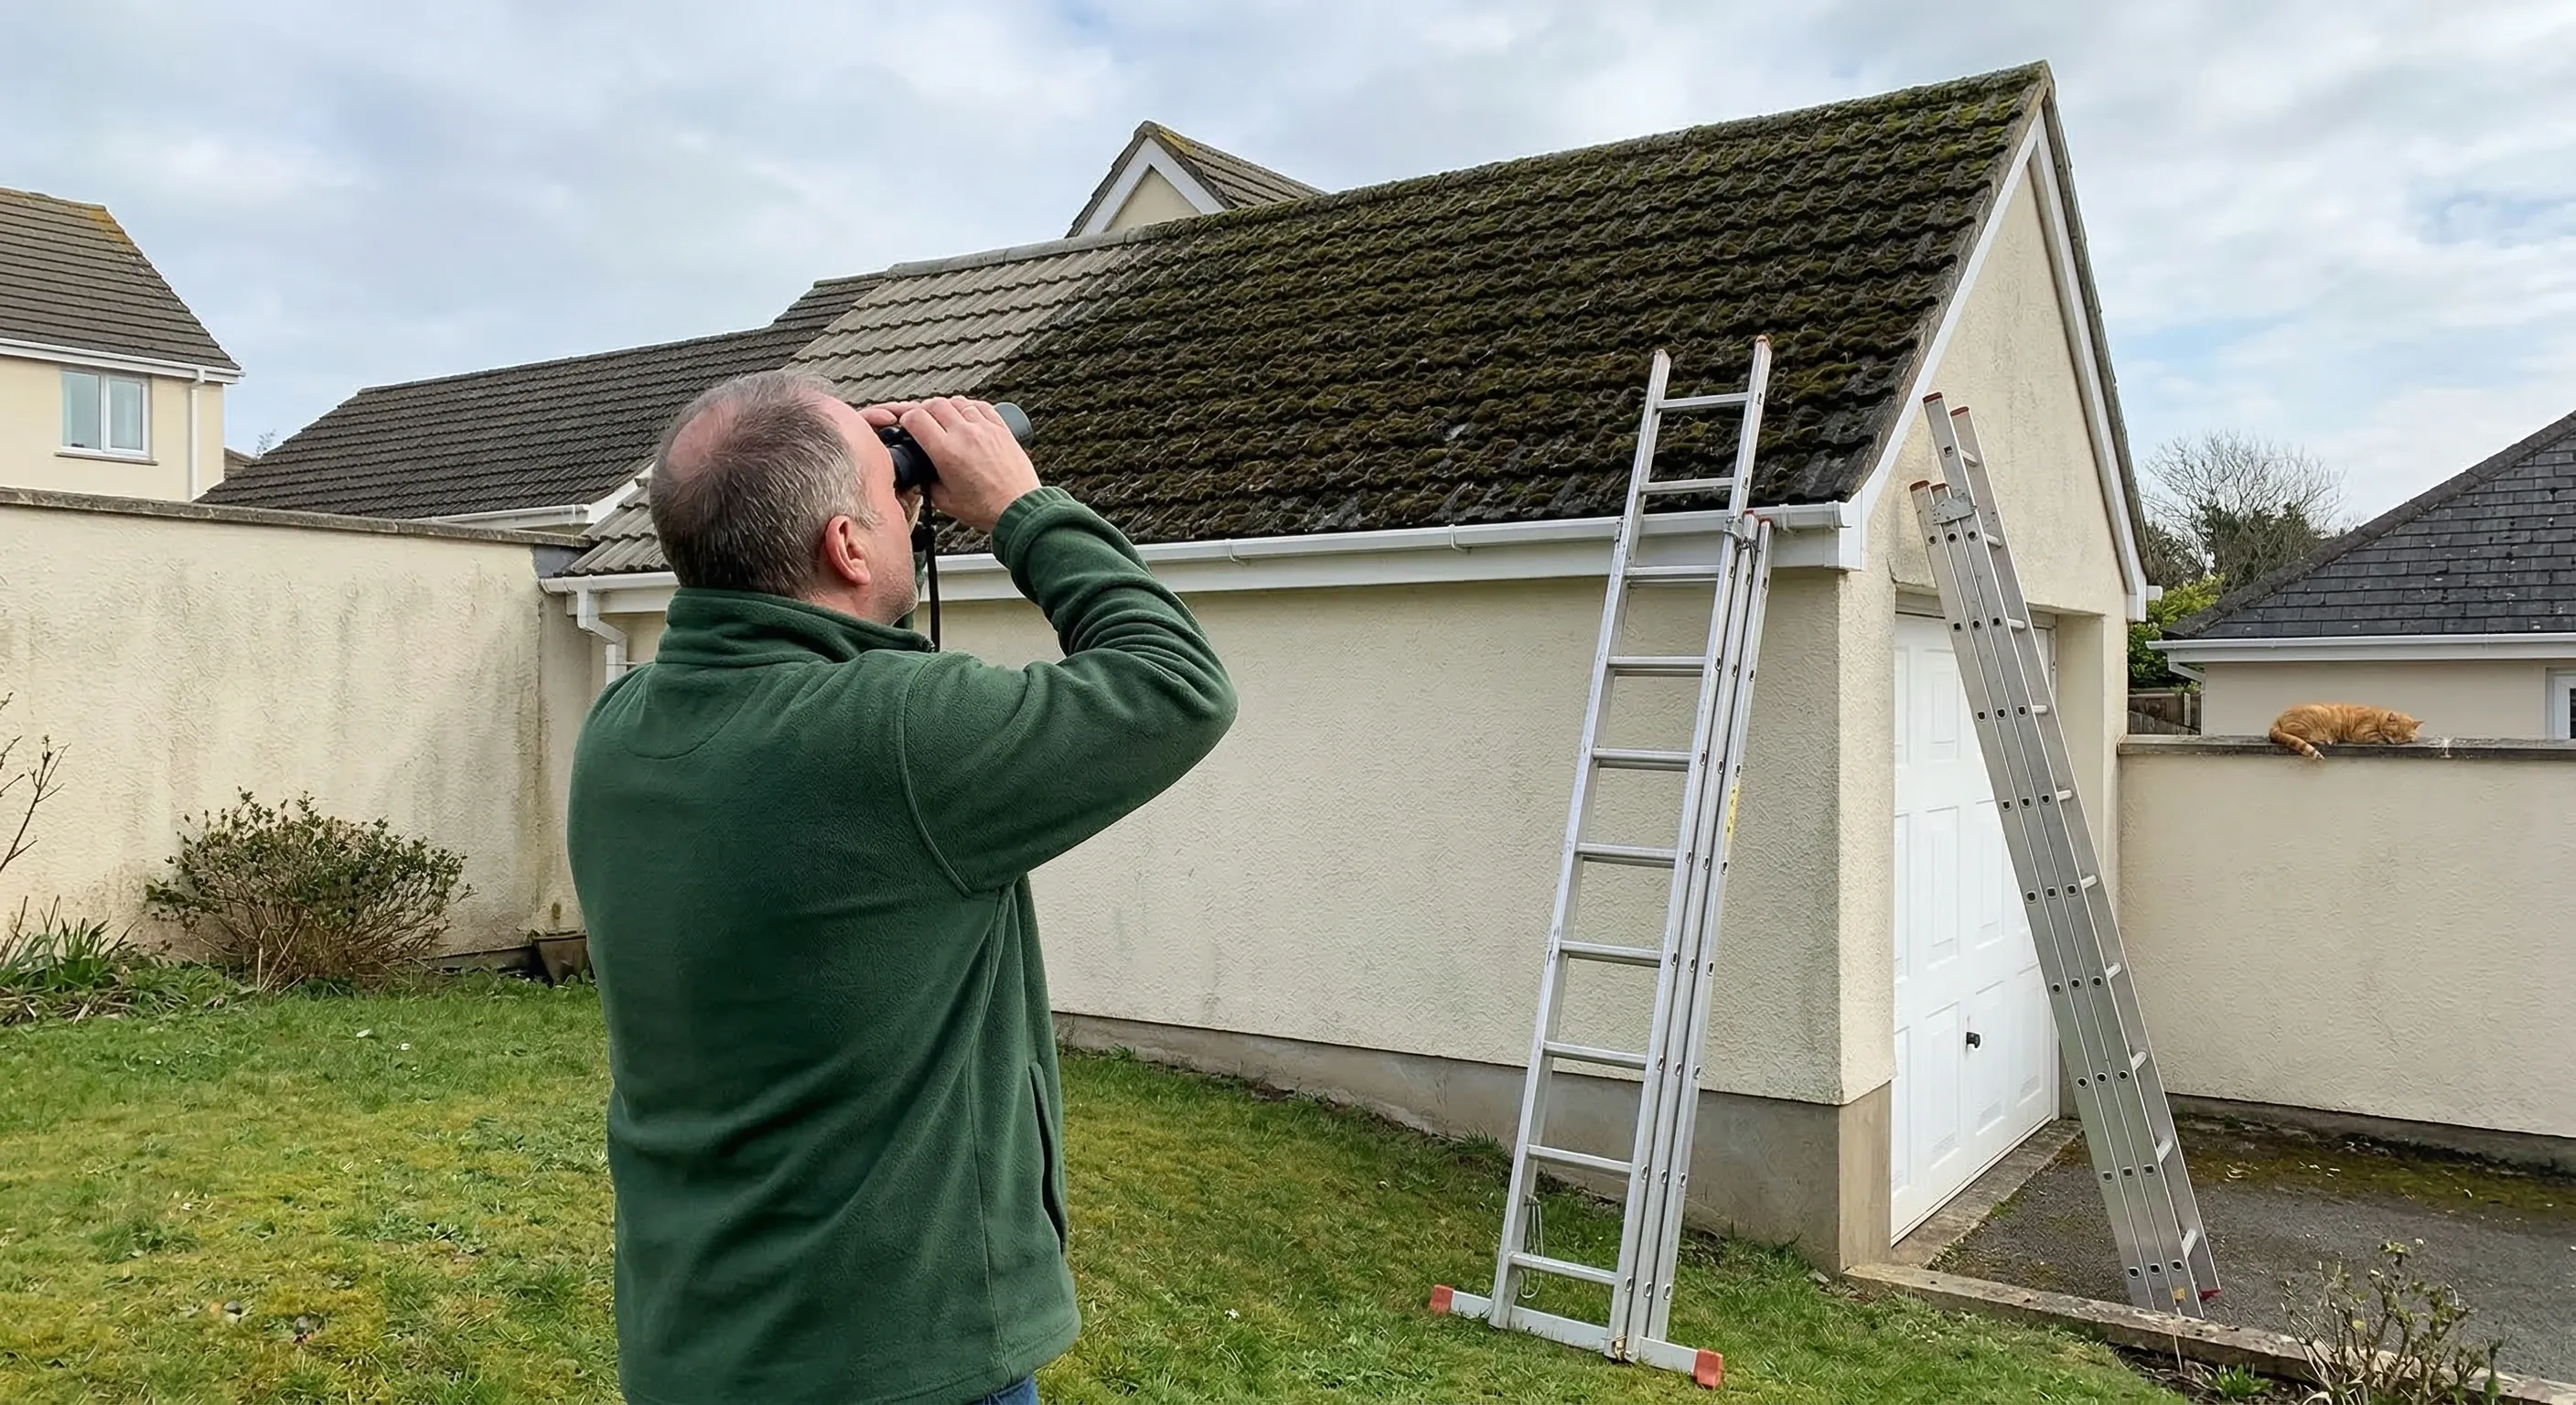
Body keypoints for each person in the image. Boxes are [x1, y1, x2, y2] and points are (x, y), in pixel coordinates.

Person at [565, 370, 1237, 1405]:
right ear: (844, 546)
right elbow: (1175, 687)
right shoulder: (893, 738)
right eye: (889, 495)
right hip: (895, 1361)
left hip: (696, 1345)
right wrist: (1020, 504)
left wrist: (862, 493)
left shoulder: (624, 727)